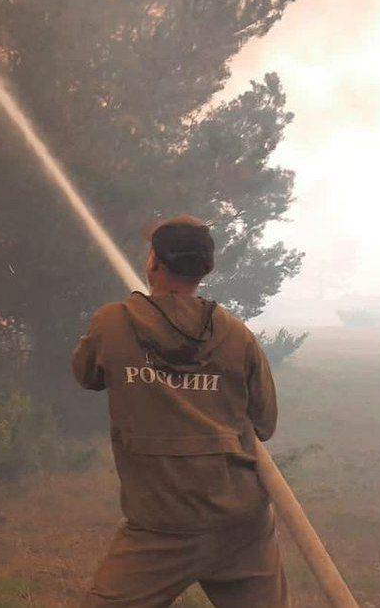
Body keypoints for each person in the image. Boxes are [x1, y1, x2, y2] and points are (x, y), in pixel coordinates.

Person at [71, 215, 287, 607]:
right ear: (207, 267)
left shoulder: (112, 324)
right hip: (240, 524)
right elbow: (265, 423)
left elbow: (87, 374)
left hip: (160, 527)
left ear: (153, 262)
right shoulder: (236, 334)